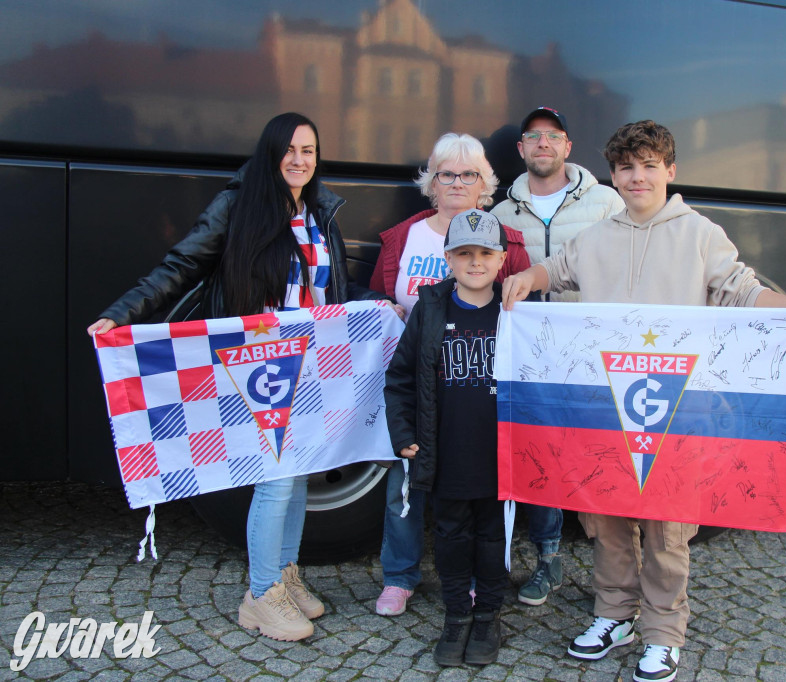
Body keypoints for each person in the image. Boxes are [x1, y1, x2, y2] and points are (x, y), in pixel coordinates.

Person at [501, 120, 786, 682]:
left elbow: (741, 289)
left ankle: (663, 631)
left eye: (649, 166)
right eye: (627, 168)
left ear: (670, 171)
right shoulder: (598, 235)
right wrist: (524, 278)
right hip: (608, 409)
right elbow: (555, 271)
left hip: (678, 411)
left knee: (666, 527)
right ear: (613, 174)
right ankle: (614, 613)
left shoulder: (700, 233)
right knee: (605, 519)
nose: (637, 177)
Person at [88, 112, 394, 642]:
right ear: (270, 151)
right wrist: (122, 313)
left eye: (310, 151)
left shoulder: (319, 212)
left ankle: (286, 574)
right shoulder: (238, 204)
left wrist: (378, 305)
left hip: (314, 362)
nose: (300, 160)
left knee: (299, 470)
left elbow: (329, 293)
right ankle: (260, 595)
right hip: (259, 363)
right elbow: (180, 266)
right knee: (276, 478)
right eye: (290, 150)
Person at [368, 133, 530, 617]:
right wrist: (380, 305)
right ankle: (400, 576)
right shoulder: (403, 237)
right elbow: (376, 294)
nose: (457, 183)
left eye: (469, 175)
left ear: (486, 186)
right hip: (418, 380)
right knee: (406, 481)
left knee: (474, 496)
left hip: (476, 388)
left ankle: (478, 581)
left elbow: (523, 307)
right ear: (431, 182)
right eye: (447, 174)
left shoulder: (508, 242)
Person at [491, 106, 625, 607]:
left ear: (568, 147)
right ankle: (548, 561)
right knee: (540, 456)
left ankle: (616, 578)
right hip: (529, 354)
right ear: (521, 149)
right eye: (533, 137)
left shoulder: (606, 202)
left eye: (553, 136)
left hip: (590, 353)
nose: (543, 144)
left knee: (602, 460)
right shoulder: (501, 213)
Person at [384, 210, 516, 667]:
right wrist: (403, 434)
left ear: (501, 260)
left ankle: (489, 617)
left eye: (485, 253)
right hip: (445, 453)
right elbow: (400, 378)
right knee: (451, 537)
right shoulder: (431, 308)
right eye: (464, 254)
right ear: (448, 258)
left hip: (499, 456)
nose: (475, 263)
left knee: (492, 537)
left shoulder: (516, 309)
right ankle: (458, 615)